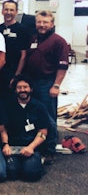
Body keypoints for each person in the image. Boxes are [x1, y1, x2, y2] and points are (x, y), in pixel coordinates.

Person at [24, 10, 69, 162]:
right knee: (34, 115)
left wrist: (56, 85)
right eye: (39, 22)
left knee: (48, 117)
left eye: (45, 22)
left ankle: (49, 149)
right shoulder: (35, 38)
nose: (42, 25)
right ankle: (38, 145)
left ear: (52, 24)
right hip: (32, 82)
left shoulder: (59, 41)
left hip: (47, 83)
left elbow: (62, 66)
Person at [3, 74, 49, 181]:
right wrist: (5, 144)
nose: (22, 90)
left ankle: (37, 161)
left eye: (25, 87)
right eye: (19, 88)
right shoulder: (8, 106)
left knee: (30, 175)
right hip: (13, 146)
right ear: (15, 90)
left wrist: (31, 147)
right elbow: (3, 128)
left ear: (31, 89)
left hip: (32, 147)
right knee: (11, 173)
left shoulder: (39, 107)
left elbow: (43, 132)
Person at [0, 0, 31, 101]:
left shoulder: (23, 30)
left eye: (11, 10)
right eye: (6, 9)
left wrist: (16, 76)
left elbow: (24, 55)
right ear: (2, 11)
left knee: (13, 101)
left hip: (14, 72)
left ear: (16, 12)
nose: (8, 12)